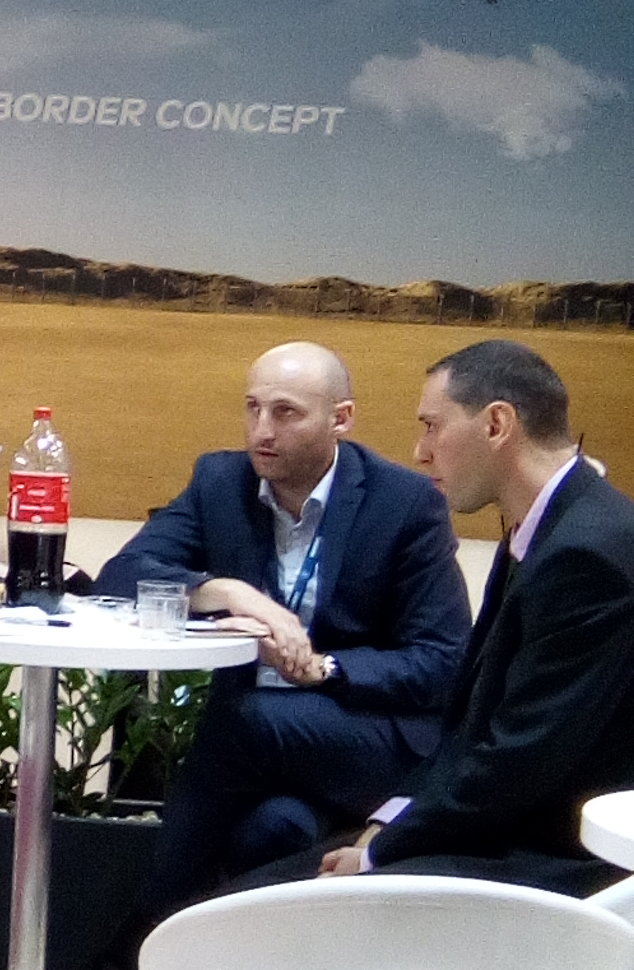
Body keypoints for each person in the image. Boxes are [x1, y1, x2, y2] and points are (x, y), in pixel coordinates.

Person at [94, 339, 468, 913]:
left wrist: (325, 669)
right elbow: (121, 575)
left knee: (246, 720)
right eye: (253, 408)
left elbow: (442, 660)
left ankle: (134, 942)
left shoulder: (403, 504)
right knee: (275, 830)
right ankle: (217, 961)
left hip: (365, 734)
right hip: (255, 756)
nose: (262, 431)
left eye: (286, 412)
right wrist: (228, 593)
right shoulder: (220, 482)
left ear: (340, 419)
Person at [318, 340, 634, 890]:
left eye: (432, 426)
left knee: (267, 910)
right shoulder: (548, 526)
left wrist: (382, 850)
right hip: (502, 827)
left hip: (557, 860)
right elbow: (475, 728)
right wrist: (392, 820)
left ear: (496, 424)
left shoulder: (587, 552)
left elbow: (521, 755)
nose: (420, 452)